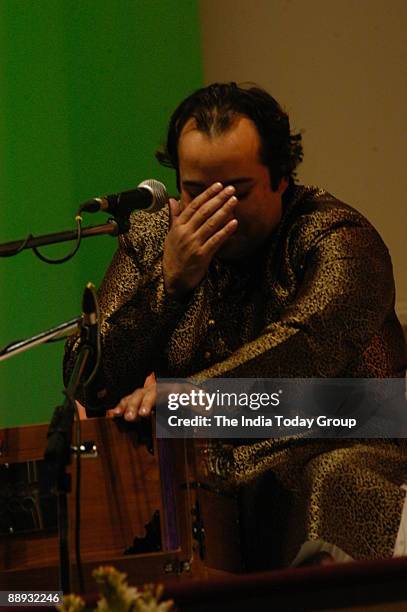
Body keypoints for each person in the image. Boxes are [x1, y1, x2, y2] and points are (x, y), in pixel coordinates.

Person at [64, 82, 407, 567]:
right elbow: (89, 383)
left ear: (281, 178)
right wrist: (169, 286)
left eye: (236, 192)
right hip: (195, 480)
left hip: (337, 445)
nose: (213, 212)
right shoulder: (155, 240)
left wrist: (193, 396)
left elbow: (308, 352)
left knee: (335, 475)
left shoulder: (339, 240)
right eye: (195, 192)